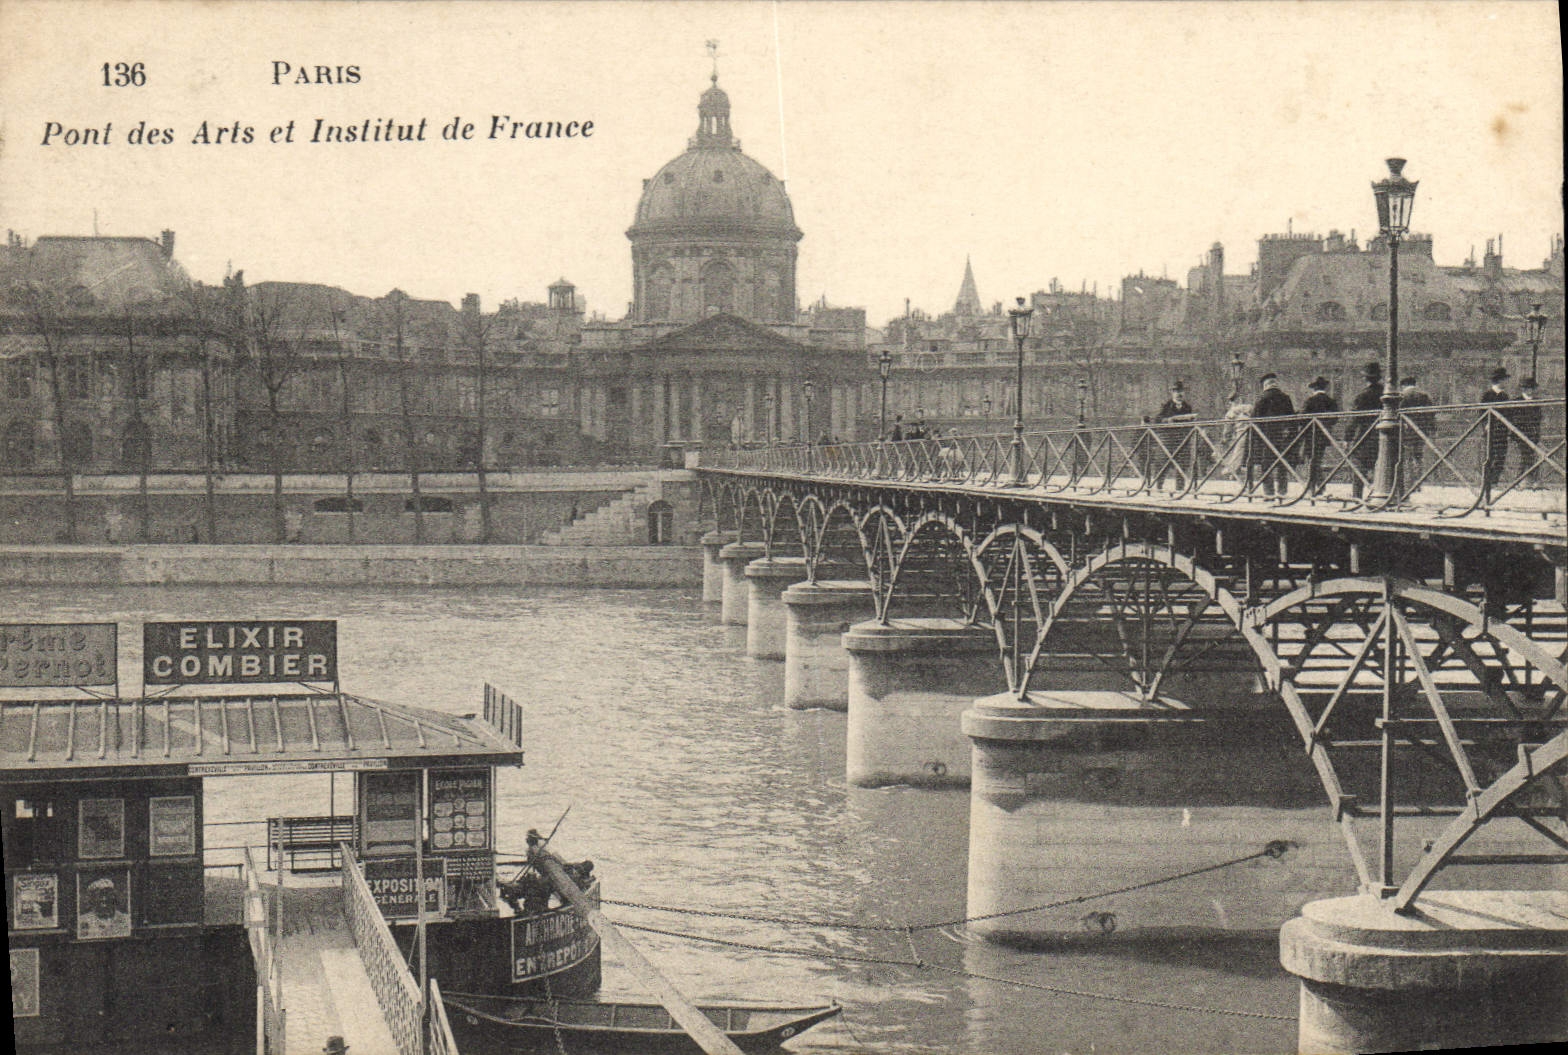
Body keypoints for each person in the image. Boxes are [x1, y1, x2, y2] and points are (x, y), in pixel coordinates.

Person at [1249, 373, 1296, 497]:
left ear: (1265, 385)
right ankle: (1282, 491)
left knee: (1266, 464)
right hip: (1283, 436)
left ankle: (1269, 493)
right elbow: (1292, 418)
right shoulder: (1286, 398)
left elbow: (1254, 420)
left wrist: (1255, 438)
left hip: (1266, 436)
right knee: (1282, 464)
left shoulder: (1262, 398)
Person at [1346, 361, 1384, 499]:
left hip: (1365, 435)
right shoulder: (1385, 392)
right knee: (1381, 465)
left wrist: (1347, 437)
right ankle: (1378, 493)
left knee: (1358, 464)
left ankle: (1357, 496)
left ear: (1365, 378)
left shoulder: (1363, 395)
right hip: (1383, 435)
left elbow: (1354, 418)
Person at [1153, 381, 1199, 490]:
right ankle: (1158, 486)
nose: (1179, 394)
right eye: (1176, 391)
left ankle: (1180, 489)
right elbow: (1157, 420)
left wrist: (1192, 421)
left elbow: (1191, 424)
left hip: (1183, 440)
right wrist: (1168, 420)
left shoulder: (1188, 407)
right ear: (1172, 393)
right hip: (1168, 441)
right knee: (1162, 464)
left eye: (1181, 391)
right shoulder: (1166, 406)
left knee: (1182, 464)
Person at [1301, 377, 1340, 496]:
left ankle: (1313, 487)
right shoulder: (1331, 401)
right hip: (1324, 436)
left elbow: (1302, 418)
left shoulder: (1310, 401)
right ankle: (1319, 487)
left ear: (1314, 388)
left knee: (1311, 461)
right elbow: (1335, 418)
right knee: (1317, 460)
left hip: (1311, 435)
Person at [1398, 375, 1435, 495]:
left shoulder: (1402, 396)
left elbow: (1398, 413)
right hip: (1421, 431)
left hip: (1407, 431)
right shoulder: (1424, 395)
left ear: (1403, 385)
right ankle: (1418, 483)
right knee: (1418, 457)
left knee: (1407, 458)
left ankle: (1408, 484)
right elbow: (1432, 413)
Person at [1480, 366, 1512, 501]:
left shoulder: (1505, 396)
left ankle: (1494, 480)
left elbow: (1508, 413)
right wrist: (1485, 425)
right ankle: (1487, 482)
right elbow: (1481, 412)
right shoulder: (1487, 395)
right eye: (1504, 380)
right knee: (1490, 456)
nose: (1506, 383)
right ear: (1499, 381)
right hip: (1491, 430)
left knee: (1501, 456)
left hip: (1502, 430)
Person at [1511, 375, 1543, 488]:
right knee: (1526, 456)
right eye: (1528, 388)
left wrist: (1537, 434)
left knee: (1529, 457)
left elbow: (1538, 419)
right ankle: (1530, 481)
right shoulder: (1517, 401)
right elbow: (1514, 420)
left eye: (1532, 388)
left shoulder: (1536, 402)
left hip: (1533, 435)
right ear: (1524, 389)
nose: (1531, 391)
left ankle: (1521, 481)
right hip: (1521, 435)